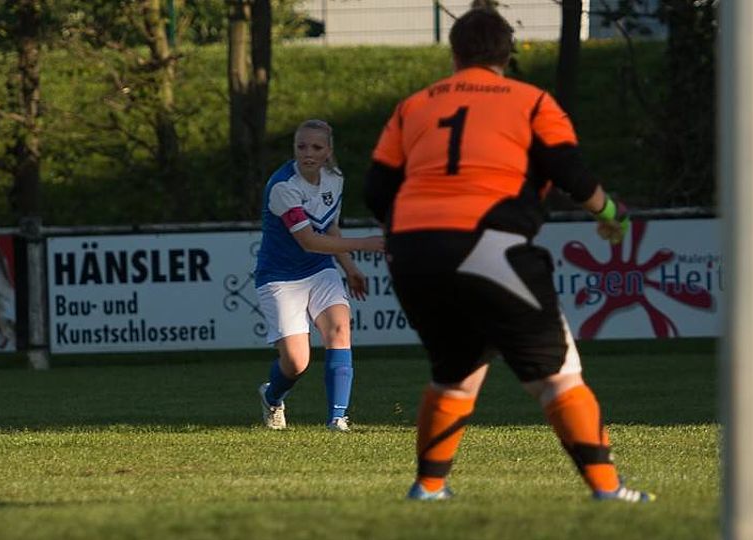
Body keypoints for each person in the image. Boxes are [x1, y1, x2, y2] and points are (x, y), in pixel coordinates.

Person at [363, 8, 652, 502]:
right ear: (507, 54)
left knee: (455, 372)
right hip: (489, 244)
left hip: (414, 252)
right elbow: (570, 172)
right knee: (557, 376)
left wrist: (418, 232)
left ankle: (429, 488)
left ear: (454, 53)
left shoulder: (413, 106)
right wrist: (612, 213)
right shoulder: (532, 101)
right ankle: (608, 489)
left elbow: (376, 190)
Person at [254, 119, 385, 432]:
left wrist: (350, 268)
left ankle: (337, 419)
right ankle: (272, 397)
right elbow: (309, 241)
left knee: (339, 328)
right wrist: (365, 243)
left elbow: (330, 227)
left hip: (319, 269)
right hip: (280, 277)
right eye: (301, 146)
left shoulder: (334, 178)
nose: (308, 153)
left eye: (316, 147)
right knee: (297, 362)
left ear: (328, 151)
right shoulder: (283, 187)